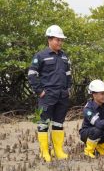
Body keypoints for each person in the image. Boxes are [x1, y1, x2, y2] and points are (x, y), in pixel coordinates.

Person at [28, 25, 71, 162]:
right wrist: (40, 91)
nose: (59, 42)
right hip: (47, 96)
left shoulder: (64, 57)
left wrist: (68, 89)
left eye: (61, 40)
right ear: (49, 40)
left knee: (58, 123)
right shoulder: (40, 56)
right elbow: (32, 74)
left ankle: (58, 151)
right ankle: (44, 152)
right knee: (43, 124)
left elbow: (68, 74)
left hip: (62, 96)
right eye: (57, 40)